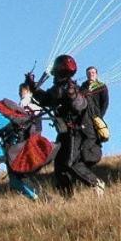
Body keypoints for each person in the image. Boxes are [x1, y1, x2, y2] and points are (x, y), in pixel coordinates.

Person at [29, 54, 105, 198]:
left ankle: (96, 183)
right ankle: (67, 197)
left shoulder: (71, 87)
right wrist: (33, 88)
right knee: (59, 166)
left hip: (77, 131)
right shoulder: (58, 88)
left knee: (71, 162)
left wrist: (73, 96)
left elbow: (80, 105)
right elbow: (45, 99)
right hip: (65, 132)